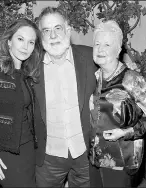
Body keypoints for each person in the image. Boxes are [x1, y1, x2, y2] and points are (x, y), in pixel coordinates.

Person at [0, 18, 44, 187]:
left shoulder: (27, 74)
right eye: (20, 39)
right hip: (3, 152)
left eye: (31, 42)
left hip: (27, 151)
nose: (25, 46)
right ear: (9, 40)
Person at [89, 20, 146, 187]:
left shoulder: (131, 78)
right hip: (94, 157)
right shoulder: (96, 76)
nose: (100, 49)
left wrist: (125, 132)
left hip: (120, 159)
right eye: (97, 43)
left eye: (107, 44)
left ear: (118, 50)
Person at [34, 7, 98, 187]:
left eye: (58, 28)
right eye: (46, 30)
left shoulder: (91, 57)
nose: (52, 35)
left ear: (68, 30)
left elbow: (116, 76)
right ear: (41, 36)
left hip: (84, 153)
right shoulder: (31, 67)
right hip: (49, 158)